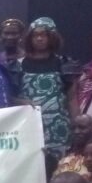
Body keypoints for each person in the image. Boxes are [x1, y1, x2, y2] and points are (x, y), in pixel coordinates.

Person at [18, 17, 78, 158]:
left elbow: (72, 98)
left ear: (52, 37)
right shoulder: (18, 65)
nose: (39, 39)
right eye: (35, 35)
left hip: (59, 126)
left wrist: (77, 125)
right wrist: (22, 102)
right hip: (29, 125)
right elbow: (10, 97)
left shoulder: (64, 63)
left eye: (43, 35)